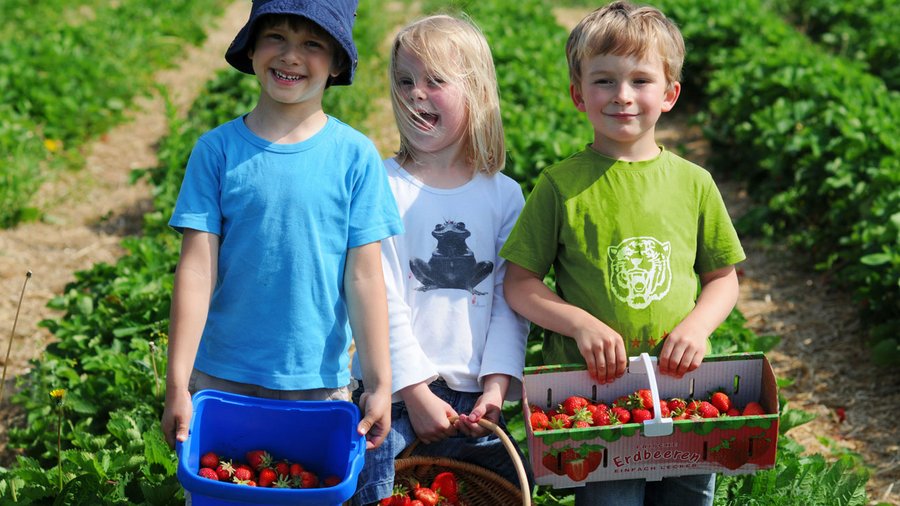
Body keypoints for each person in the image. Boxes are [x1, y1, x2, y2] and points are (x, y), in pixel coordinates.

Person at [500, 2, 745, 505]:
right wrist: (579, 324)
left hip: (683, 387)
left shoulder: (694, 184)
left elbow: (723, 278)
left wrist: (697, 328)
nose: (622, 95)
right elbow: (520, 283)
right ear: (578, 94)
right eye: (604, 81)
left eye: (640, 80)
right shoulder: (560, 186)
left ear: (670, 93)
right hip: (594, 396)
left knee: (687, 495)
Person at [161, 0, 403, 456]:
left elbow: (365, 278)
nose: (291, 56)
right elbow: (195, 271)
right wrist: (177, 384)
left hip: (317, 381)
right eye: (276, 37)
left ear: (336, 63)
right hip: (221, 377)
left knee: (308, 482)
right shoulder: (217, 151)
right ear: (251, 48)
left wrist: (378, 382)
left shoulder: (355, 157)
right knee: (222, 483)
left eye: (312, 44)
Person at [349, 14, 533, 506]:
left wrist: (496, 389)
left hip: (475, 401)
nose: (416, 94)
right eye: (404, 81)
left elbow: (508, 303)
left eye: (435, 81)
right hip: (393, 396)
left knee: (513, 484)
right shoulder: (381, 185)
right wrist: (414, 391)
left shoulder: (504, 197)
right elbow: (380, 295)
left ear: (477, 92)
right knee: (372, 484)